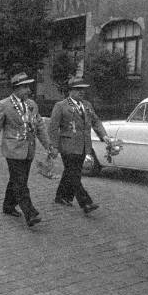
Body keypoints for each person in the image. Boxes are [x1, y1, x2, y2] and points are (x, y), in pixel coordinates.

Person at [0, 72, 53, 227]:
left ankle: (8, 206)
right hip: (13, 149)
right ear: (15, 89)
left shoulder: (32, 105)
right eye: (24, 87)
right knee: (20, 182)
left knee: (17, 180)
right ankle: (30, 213)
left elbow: (40, 127)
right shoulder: (4, 105)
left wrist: (48, 146)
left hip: (29, 149)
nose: (28, 90)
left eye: (28, 87)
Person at [49, 77, 110, 214]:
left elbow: (96, 122)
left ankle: (62, 196)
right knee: (74, 174)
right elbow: (53, 128)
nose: (81, 92)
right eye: (78, 89)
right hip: (67, 146)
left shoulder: (87, 105)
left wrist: (104, 136)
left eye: (83, 89)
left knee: (71, 172)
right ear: (70, 91)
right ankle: (85, 202)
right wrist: (54, 146)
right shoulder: (61, 106)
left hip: (83, 146)